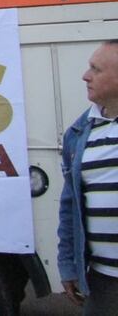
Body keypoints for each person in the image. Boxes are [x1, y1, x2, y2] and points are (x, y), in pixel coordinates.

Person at [58, 40, 118, 313]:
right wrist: (69, 265)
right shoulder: (79, 133)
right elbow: (70, 205)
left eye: (96, 69)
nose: (86, 75)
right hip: (103, 282)